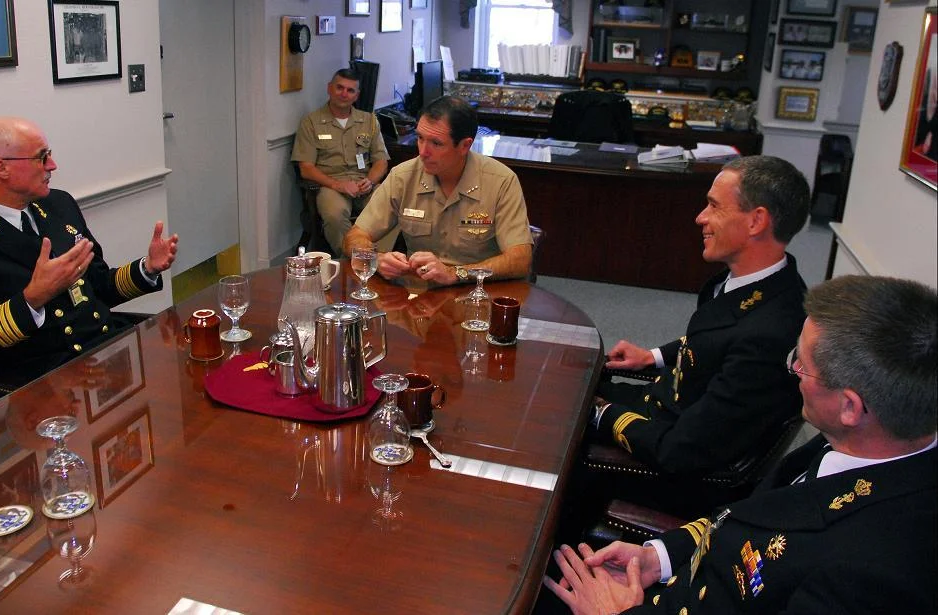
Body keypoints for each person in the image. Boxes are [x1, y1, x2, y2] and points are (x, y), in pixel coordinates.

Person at [543, 275, 937, 614]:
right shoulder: (865, 445)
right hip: (676, 578)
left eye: (800, 363)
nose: (792, 372)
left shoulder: (872, 576)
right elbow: (745, 519)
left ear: (850, 406)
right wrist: (658, 558)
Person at [0, 116, 178, 407]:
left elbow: (97, 286)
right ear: (1, 167)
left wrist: (147, 269)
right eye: (42, 157)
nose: (52, 165)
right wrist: (31, 299)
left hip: (106, 355)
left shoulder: (58, 205)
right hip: (44, 389)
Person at [590, 156, 810, 483]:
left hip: (667, 462)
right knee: (569, 377)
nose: (700, 217)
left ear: (756, 221)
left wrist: (600, 413)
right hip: (667, 407)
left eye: (714, 207)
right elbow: (714, 344)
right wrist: (653, 356)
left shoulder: (772, 331)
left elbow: (682, 451)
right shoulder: (760, 285)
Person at [343, 95, 532, 287]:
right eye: (420, 138)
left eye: (436, 143)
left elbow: (520, 259)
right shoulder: (403, 176)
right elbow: (354, 237)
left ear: (465, 145)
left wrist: (455, 273)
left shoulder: (501, 181)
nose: (423, 152)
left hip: (476, 292)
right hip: (419, 296)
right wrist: (376, 258)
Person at [291, 68, 390, 254]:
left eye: (350, 90)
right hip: (330, 184)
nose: (344, 94)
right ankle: (352, 261)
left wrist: (370, 181)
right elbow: (306, 168)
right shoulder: (311, 122)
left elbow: (381, 161)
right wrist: (338, 185)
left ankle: (379, 259)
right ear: (329, 88)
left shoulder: (369, 121)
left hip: (364, 182)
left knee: (389, 208)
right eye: (339, 88)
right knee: (335, 215)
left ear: (356, 95)